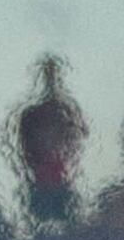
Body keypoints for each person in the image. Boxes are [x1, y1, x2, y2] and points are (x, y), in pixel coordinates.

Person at [16, 57, 83, 226]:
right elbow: (25, 149)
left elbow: (76, 142)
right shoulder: (33, 115)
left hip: (59, 182)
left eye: (53, 75)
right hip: (43, 182)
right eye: (48, 75)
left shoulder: (66, 113)